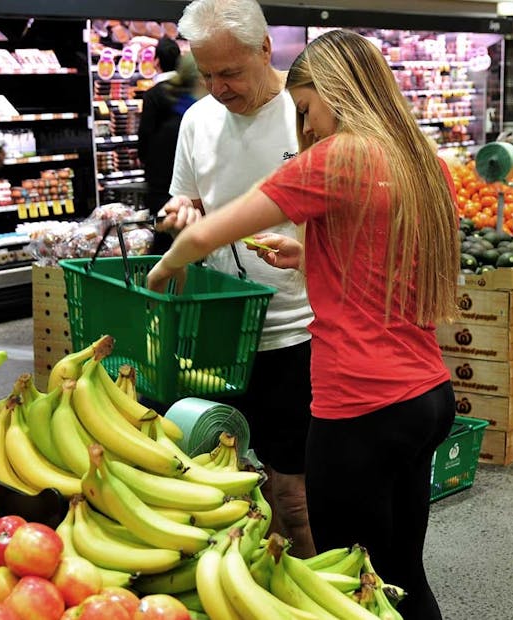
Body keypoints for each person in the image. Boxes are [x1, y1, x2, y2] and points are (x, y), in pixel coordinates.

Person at [147, 28, 460, 619]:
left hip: (360, 404)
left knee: (344, 585)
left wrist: (162, 271)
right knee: (398, 575)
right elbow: (387, 263)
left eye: (308, 109)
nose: (308, 126)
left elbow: (210, 230)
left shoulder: (340, 155)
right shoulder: (420, 160)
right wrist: (308, 254)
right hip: (425, 396)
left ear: (339, 91)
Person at [158, 0, 317, 558]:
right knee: (231, 484)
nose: (218, 88)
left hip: (299, 331)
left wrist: (310, 250)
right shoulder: (197, 120)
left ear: (266, 50)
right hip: (222, 333)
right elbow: (188, 199)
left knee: (294, 495)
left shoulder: (310, 114)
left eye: (231, 73)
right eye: (207, 75)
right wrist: (180, 213)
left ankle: (313, 586)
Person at [137, 38, 204, 254]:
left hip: (161, 186)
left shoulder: (157, 97)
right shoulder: (195, 119)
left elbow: (145, 141)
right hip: (174, 199)